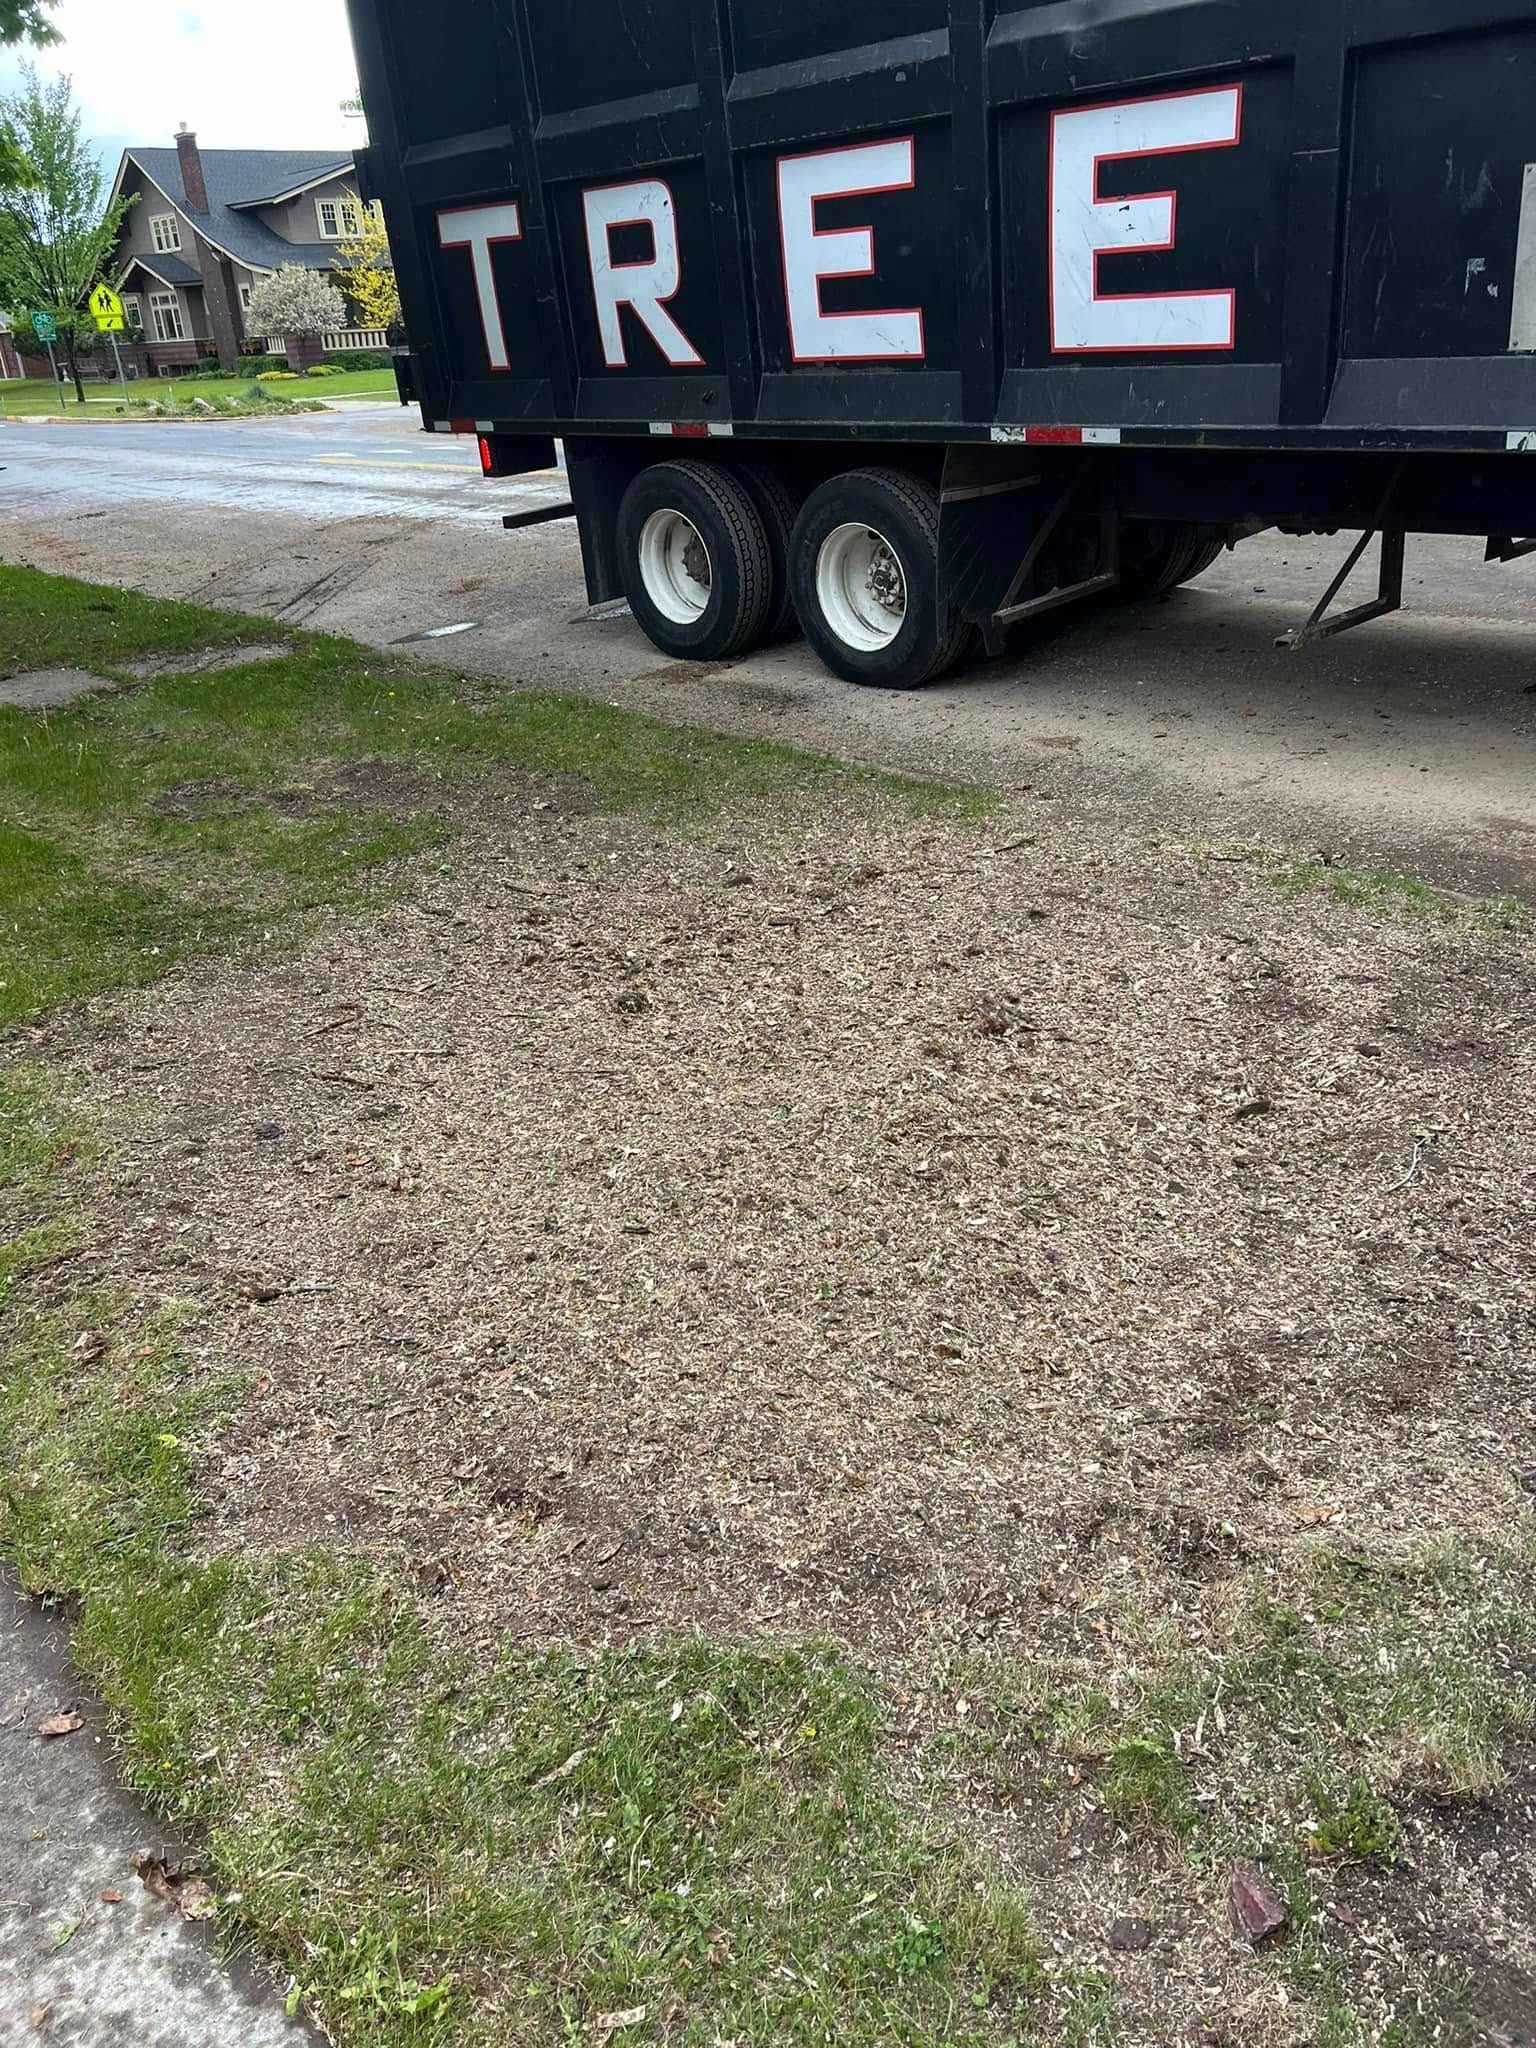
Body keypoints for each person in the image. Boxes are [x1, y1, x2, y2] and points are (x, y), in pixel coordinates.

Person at [387, 321, 414, 407]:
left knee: (401, 379)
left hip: (396, 354)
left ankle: (404, 400)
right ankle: (410, 396)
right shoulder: (403, 329)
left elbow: (388, 342)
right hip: (405, 353)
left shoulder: (390, 330)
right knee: (410, 376)